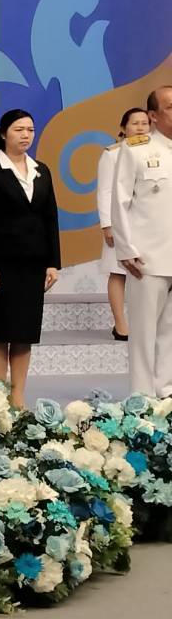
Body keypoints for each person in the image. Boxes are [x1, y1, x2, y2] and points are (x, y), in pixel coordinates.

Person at [0, 109, 60, 408]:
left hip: (33, 265)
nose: (26, 135)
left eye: (30, 130)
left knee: (24, 333)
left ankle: (18, 395)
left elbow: (51, 218)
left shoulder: (42, 170)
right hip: (2, 264)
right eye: (19, 129)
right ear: (3, 134)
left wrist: (53, 262)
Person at [111, 86, 172, 396]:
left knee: (170, 332)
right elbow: (119, 201)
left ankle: (166, 393)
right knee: (144, 333)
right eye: (170, 107)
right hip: (147, 258)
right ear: (153, 115)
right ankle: (142, 399)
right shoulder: (135, 149)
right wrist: (126, 249)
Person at [97, 107, 150, 342]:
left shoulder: (157, 152)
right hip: (120, 222)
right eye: (135, 123)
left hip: (148, 224)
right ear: (123, 127)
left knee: (149, 273)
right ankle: (121, 325)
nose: (140, 127)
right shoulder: (112, 154)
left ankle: (146, 324)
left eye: (145, 123)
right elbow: (105, 191)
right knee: (118, 272)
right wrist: (107, 225)